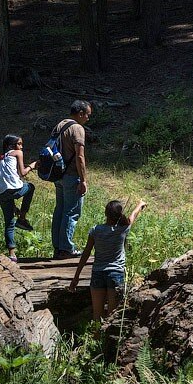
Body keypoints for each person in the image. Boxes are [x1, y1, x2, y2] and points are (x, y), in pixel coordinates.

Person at [69, 199, 147, 328]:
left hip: (98, 273)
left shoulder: (96, 230)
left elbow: (86, 254)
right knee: (112, 316)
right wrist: (140, 205)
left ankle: (95, 339)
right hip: (116, 274)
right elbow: (133, 215)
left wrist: (76, 277)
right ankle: (106, 345)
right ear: (119, 214)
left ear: (105, 213)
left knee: (97, 315)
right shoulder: (123, 229)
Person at [50, 100, 92, 259]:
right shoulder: (77, 128)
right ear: (80, 113)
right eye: (87, 115)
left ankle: (58, 247)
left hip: (58, 175)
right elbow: (80, 157)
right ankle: (66, 249)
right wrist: (83, 180)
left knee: (59, 211)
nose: (88, 118)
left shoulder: (59, 125)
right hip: (71, 176)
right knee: (72, 212)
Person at [0, 134, 36, 262]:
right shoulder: (18, 153)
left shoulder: (3, 158)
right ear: (11, 145)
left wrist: (14, 207)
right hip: (14, 189)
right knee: (30, 187)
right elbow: (22, 173)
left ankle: (12, 254)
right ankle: (22, 218)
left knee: (9, 222)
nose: (21, 146)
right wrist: (33, 165)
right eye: (19, 144)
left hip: (1, 192)